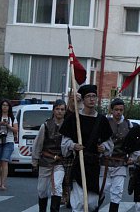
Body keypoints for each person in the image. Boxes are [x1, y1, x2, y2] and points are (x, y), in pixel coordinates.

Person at [59, 84, 113, 212]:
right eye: (88, 96)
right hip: (80, 164)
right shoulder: (74, 119)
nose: (92, 99)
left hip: (95, 166)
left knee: (92, 202)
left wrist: (103, 147)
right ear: (83, 99)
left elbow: (109, 142)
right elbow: (65, 141)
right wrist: (73, 145)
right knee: (79, 202)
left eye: (94, 96)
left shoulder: (102, 120)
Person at [32, 99, 67, 212]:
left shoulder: (68, 126)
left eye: (62, 109)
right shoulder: (45, 125)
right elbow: (38, 144)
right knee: (42, 190)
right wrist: (35, 161)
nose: (59, 112)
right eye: (57, 109)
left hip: (60, 161)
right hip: (46, 160)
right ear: (53, 110)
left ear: (65, 111)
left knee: (57, 187)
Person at [99, 98, 133, 212]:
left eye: (121, 110)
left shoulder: (128, 124)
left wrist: (130, 157)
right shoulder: (105, 122)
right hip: (105, 162)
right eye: (116, 109)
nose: (118, 112)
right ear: (112, 110)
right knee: (101, 190)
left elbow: (132, 144)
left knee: (117, 192)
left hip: (120, 163)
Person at [0, 99, 18, 190]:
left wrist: (8, 125)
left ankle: (3, 184)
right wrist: (0, 124)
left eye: (6, 105)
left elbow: (16, 130)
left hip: (8, 142)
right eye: (3, 105)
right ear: (1, 107)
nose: (5, 107)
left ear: (9, 107)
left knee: (4, 161)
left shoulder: (13, 118)